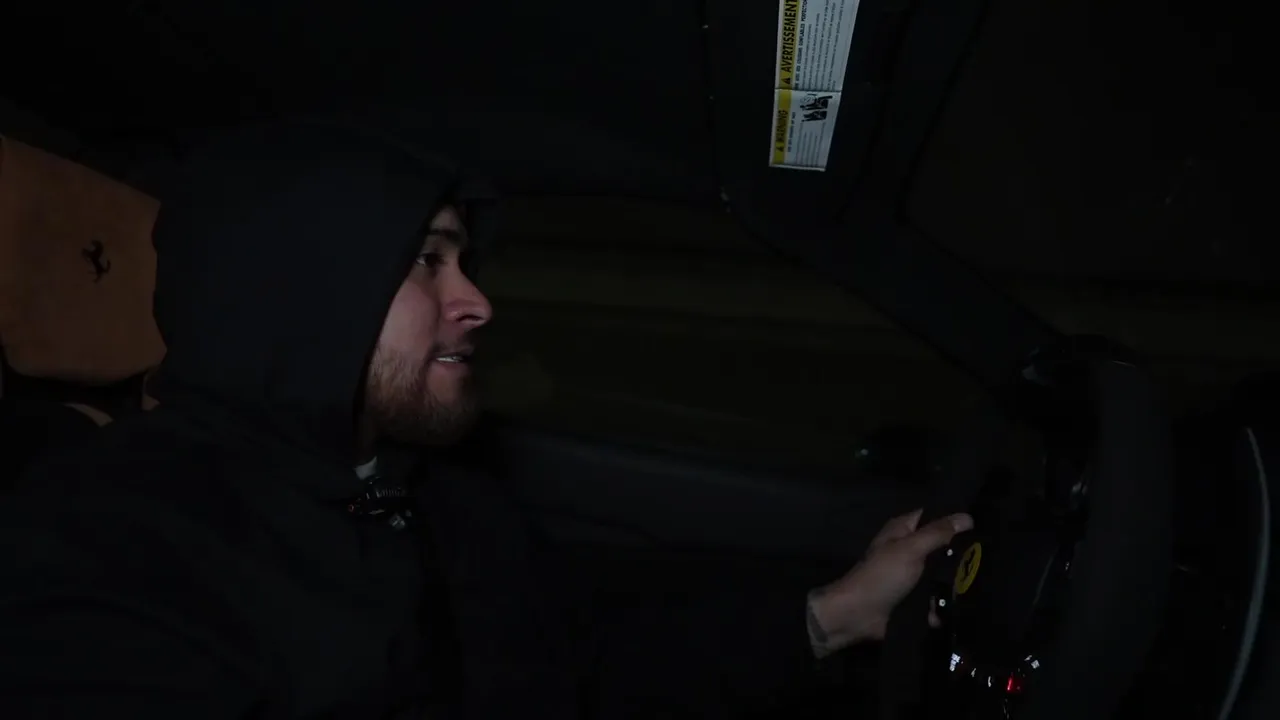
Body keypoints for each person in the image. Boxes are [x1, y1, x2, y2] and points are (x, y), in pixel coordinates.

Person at [0, 122, 972, 719]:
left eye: (463, 261)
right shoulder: (114, 551)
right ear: (301, 288)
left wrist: (834, 615)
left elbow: (575, 672)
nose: (476, 302)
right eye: (427, 261)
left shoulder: (429, 495)